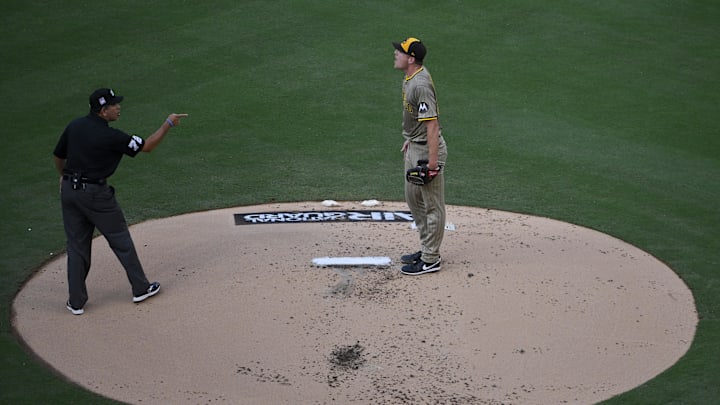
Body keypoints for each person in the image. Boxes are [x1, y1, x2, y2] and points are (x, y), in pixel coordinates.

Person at [53, 88, 188, 315]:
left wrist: (63, 175)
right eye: (114, 105)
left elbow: (58, 155)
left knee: (76, 247)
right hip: (95, 195)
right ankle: (140, 288)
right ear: (103, 111)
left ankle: (75, 302)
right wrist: (168, 124)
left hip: (69, 191)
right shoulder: (111, 137)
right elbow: (147, 146)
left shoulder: (75, 125)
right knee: (120, 239)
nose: (118, 107)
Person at [393, 37, 448, 276]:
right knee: (413, 199)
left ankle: (431, 259)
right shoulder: (410, 79)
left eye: (400, 52)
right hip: (416, 146)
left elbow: (433, 125)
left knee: (432, 206)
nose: (396, 54)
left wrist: (433, 164)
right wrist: (411, 139)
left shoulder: (420, 85)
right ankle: (427, 247)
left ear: (411, 58)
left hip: (428, 150)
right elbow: (418, 118)